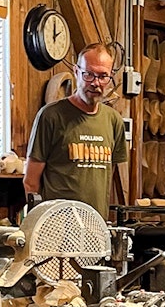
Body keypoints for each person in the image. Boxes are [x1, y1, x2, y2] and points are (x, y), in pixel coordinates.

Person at [24, 43, 128, 219]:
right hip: (57, 228)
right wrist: (42, 224)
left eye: (103, 76)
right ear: (76, 71)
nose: (96, 83)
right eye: (89, 74)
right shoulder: (51, 116)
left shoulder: (113, 121)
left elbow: (107, 179)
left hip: (95, 226)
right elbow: (30, 182)